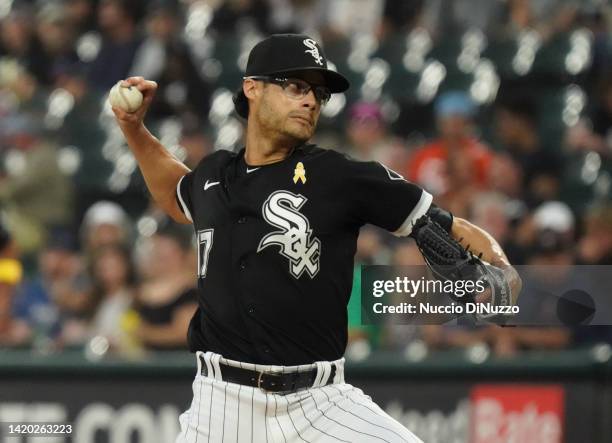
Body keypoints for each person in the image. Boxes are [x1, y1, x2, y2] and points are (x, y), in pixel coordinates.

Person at [112, 34, 521, 443]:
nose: (311, 101)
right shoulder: (213, 175)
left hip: (320, 403)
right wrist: (134, 128)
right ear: (252, 88)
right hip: (221, 405)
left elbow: (445, 225)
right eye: (296, 86)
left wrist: (502, 268)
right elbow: (174, 192)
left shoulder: (340, 176)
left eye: (318, 93)